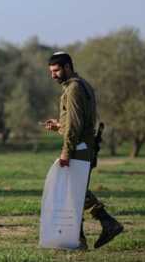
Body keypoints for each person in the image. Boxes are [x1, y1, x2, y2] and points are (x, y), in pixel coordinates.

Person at [43, 52, 123, 250]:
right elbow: (76, 123)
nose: (53, 75)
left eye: (56, 70)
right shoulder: (82, 85)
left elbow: (75, 126)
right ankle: (80, 239)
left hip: (78, 148)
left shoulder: (74, 88)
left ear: (68, 67)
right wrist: (59, 125)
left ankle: (104, 226)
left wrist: (66, 152)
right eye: (51, 72)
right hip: (84, 146)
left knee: (73, 194)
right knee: (73, 193)